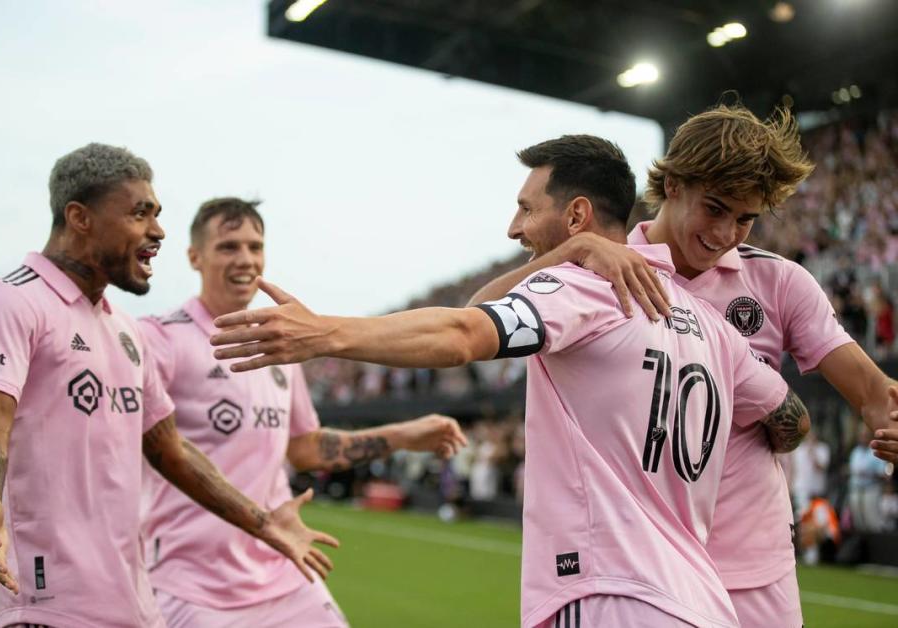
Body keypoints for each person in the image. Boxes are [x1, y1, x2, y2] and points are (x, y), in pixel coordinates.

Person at [210, 135, 810, 628]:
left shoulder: (582, 288)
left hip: (609, 593)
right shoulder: (709, 323)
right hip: (702, 602)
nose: (513, 227)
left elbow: (465, 333)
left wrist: (325, 334)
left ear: (575, 213)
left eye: (527, 208)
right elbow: (791, 419)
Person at [463, 104, 898, 627]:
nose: (728, 233)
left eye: (745, 218)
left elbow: (875, 395)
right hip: (642, 570)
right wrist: (575, 249)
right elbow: (472, 321)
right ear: (672, 185)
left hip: (753, 569)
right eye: (715, 208)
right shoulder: (598, 268)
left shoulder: (779, 283)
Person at [0, 144, 337, 628]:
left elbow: (172, 450)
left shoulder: (125, 332)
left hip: (135, 605)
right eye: (140, 214)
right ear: (80, 217)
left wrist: (264, 523)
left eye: (157, 215)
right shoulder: (12, 301)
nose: (157, 231)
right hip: (46, 605)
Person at [139, 196, 467, 627]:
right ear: (194, 256)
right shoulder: (159, 339)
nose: (245, 259)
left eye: (255, 247)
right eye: (229, 246)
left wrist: (404, 435)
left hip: (284, 565)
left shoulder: (279, 343)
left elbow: (305, 449)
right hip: (192, 585)